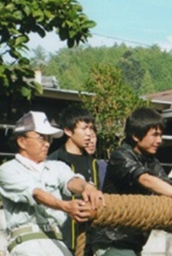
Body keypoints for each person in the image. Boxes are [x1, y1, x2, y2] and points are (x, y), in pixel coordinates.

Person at [88, 107, 172, 256]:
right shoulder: (121, 156)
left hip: (133, 242)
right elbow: (145, 179)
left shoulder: (151, 161)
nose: (159, 141)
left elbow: (165, 185)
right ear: (136, 135)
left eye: (161, 135)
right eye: (155, 135)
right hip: (111, 241)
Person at [0, 111, 104, 256]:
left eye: (49, 139)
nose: (47, 144)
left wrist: (87, 187)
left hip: (56, 241)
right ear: (21, 141)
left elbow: (71, 181)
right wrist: (65, 206)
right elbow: (36, 193)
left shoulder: (56, 167)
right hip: (27, 242)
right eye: (42, 138)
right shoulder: (8, 170)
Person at [48, 105, 106, 255]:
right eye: (84, 128)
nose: (89, 134)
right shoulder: (53, 161)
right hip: (59, 240)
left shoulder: (94, 164)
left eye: (91, 128)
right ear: (68, 131)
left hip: (89, 242)